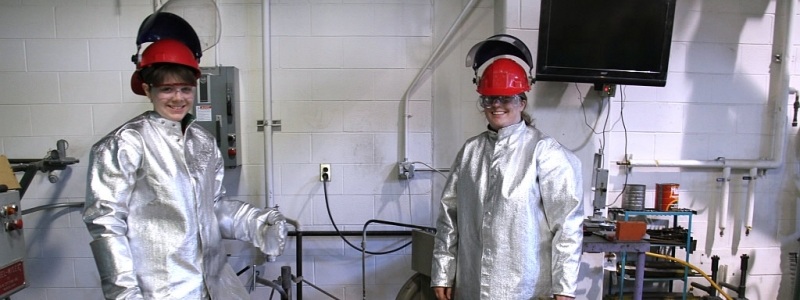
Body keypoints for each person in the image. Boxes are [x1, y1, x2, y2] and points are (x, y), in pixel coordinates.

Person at [82, 38, 287, 300]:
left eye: (186, 89)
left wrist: (257, 223)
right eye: (167, 89)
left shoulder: (202, 141)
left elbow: (211, 208)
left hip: (213, 285)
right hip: (159, 290)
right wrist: (123, 294)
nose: (178, 98)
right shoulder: (125, 143)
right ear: (148, 89)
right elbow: (106, 225)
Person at [430, 56, 584, 300]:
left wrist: (564, 288)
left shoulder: (545, 152)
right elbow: (450, 217)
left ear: (522, 102)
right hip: (471, 283)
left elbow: (567, 225)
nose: (496, 105)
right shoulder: (470, 151)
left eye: (506, 98)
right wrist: (442, 271)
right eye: (489, 98)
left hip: (526, 288)